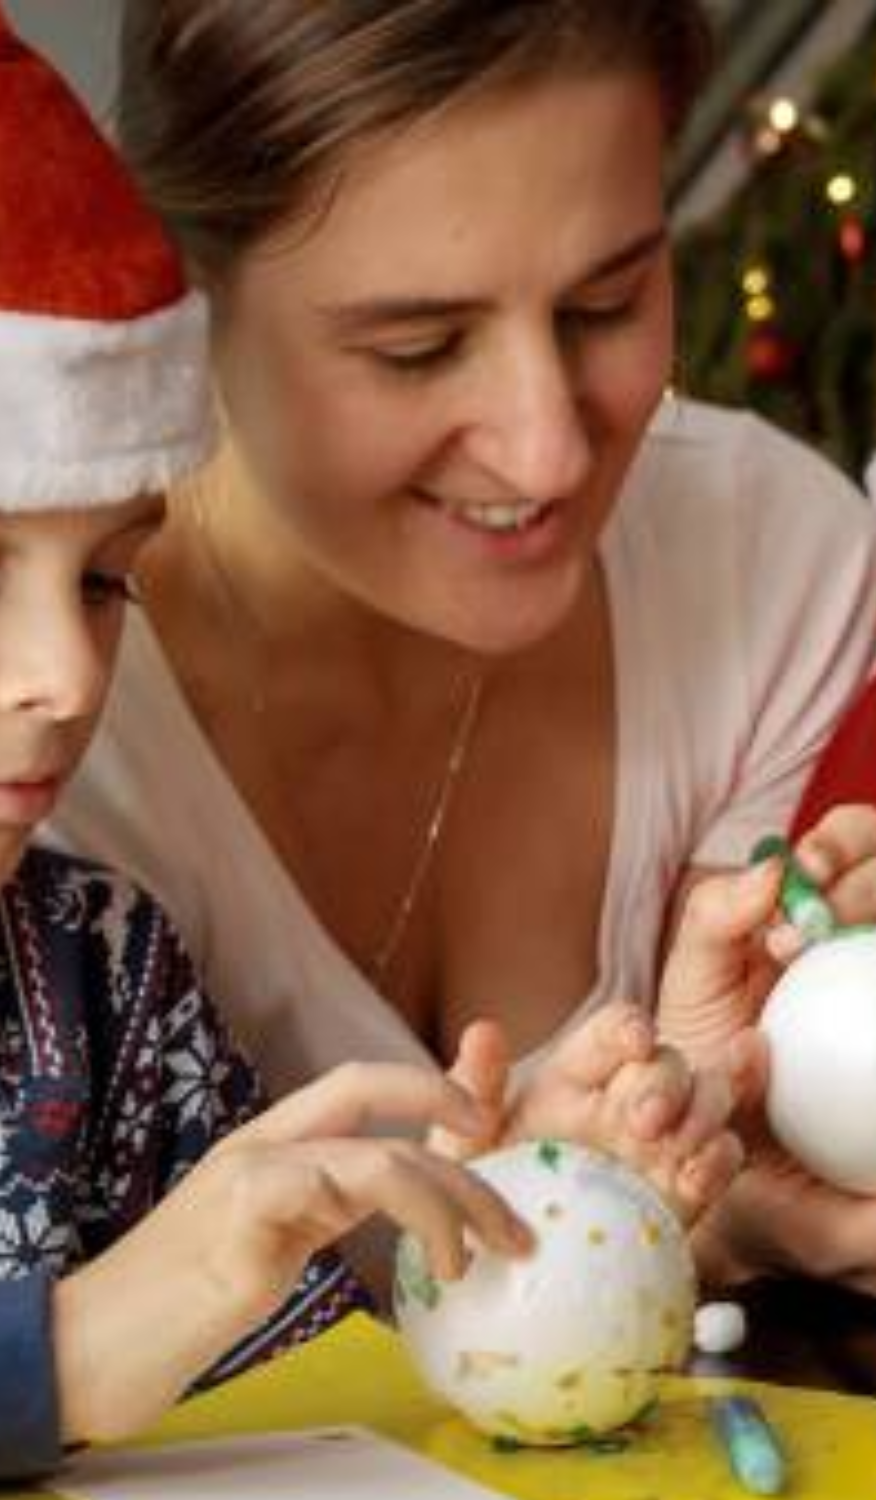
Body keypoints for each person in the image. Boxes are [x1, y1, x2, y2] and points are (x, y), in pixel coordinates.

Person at [47, 0, 876, 1310]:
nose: (548, 450)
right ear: (186, 298)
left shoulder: (768, 560)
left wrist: (723, 1204)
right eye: (417, 347)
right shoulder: (46, 709)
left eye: (607, 303)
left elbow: (637, 1245)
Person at [0, 13, 746, 1477]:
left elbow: (293, 1396)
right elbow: (128, 1345)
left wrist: (494, 1239)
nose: (66, 675)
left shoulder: (110, 966)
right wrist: (74, 1350)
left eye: (103, 581)